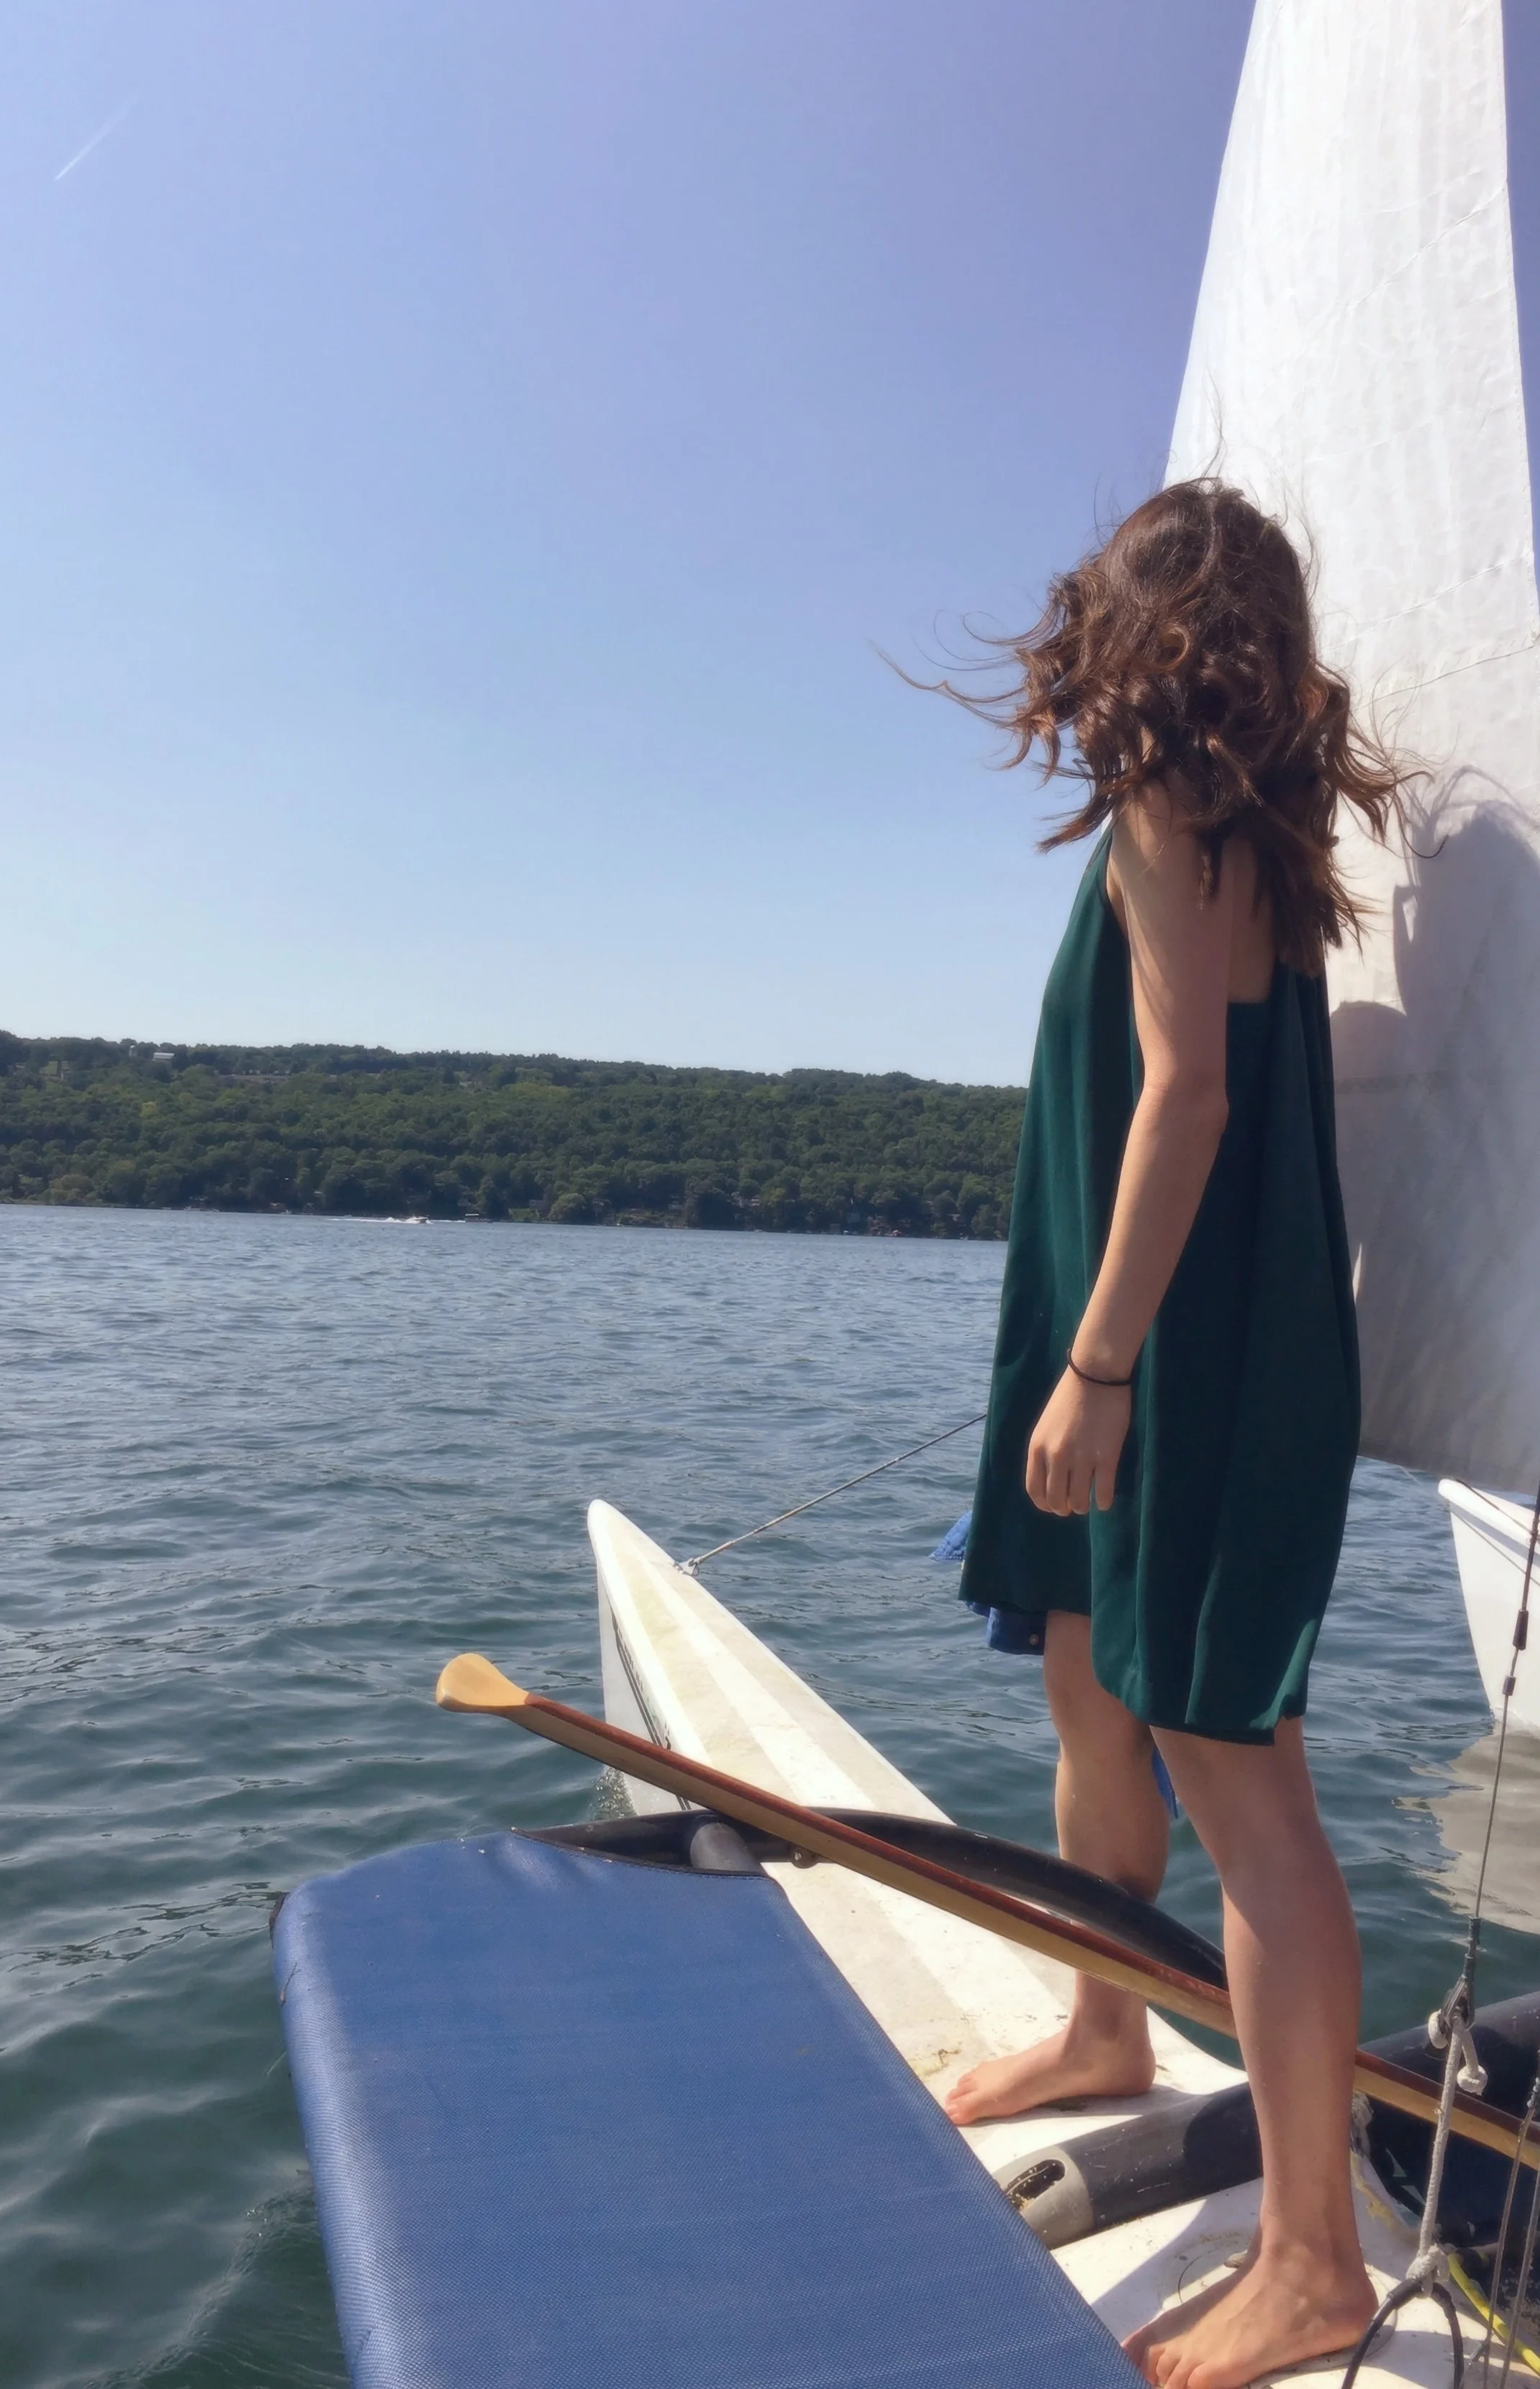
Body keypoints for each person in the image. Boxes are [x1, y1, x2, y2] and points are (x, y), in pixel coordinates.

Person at [936, 482, 1405, 2389]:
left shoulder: (1174, 812)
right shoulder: (1247, 820)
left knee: (1239, 1775)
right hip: (1133, 1321)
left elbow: (1186, 1102)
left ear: (1125, 639)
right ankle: (1106, 2020)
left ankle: (1309, 2259)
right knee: (1082, 1673)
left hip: (1180, 1348)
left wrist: (1100, 1363)